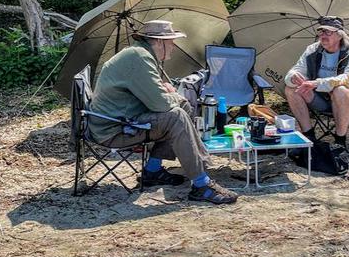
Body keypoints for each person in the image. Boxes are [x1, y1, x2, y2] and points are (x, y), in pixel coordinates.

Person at [88, 19, 237, 205]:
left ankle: (152, 171)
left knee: (182, 108)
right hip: (114, 130)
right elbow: (160, 104)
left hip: (118, 120)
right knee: (176, 116)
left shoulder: (138, 54)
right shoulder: (139, 57)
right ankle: (202, 185)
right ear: (159, 41)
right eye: (171, 42)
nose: (174, 47)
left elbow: (147, 92)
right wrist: (173, 94)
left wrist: (166, 91)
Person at [283, 16, 349, 150]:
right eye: (321, 32)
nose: (323, 36)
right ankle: (309, 136)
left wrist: (316, 83)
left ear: (339, 35)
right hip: (320, 98)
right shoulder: (313, 49)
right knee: (291, 89)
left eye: (328, 32)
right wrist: (292, 77)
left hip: (347, 98)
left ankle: (340, 140)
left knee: (340, 90)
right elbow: (297, 69)